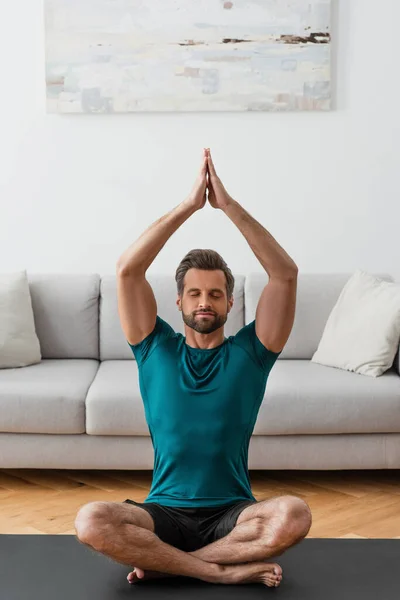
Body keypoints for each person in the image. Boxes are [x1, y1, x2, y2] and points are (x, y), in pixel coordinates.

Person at [74, 148, 312, 588]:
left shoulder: (252, 353)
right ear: (179, 301)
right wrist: (188, 205)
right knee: (91, 519)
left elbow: (285, 274)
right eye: (196, 293)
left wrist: (228, 207)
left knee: (293, 514)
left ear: (230, 302)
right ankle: (218, 572)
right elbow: (128, 270)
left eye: (216, 294)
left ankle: (172, 564)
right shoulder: (154, 348)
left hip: (233, 515)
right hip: (161, 512)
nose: (205, 301)